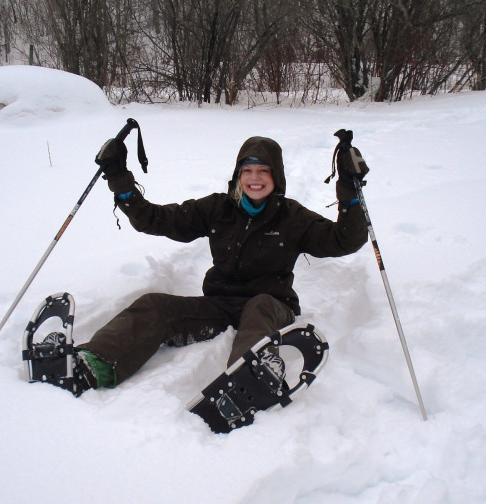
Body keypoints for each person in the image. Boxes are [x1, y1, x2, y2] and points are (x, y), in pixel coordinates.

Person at [72, 135, 369, 391]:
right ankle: (95, 362)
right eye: (247, 170)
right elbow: (156, 219)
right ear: (238, 175)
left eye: (263, 171)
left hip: (272, 308)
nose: (255, 178)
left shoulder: (292, 217)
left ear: (276, 176)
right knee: (154, 305)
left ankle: (252, 378)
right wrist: (120, 181)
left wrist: (350, 192)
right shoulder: (218, 209)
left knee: (260, 305)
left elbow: (344, 240)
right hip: (222, 306)